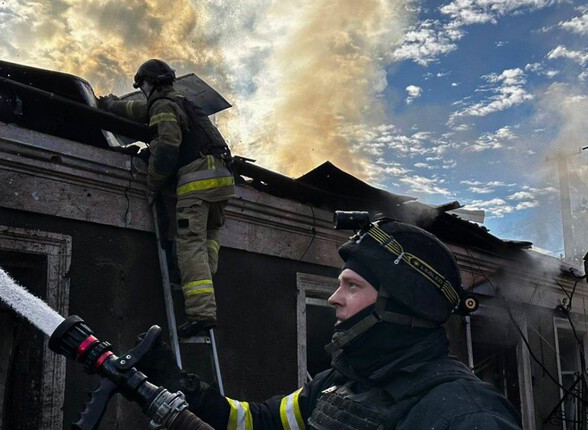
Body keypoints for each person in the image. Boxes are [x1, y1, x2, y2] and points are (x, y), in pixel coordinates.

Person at [138, 217, 522, 429]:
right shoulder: (338, 382)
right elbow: (261, 423)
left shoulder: (467, 416)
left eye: (352, 286)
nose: (334, 298)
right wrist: (179, 383)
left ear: (404, 306)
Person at [98, 59, 236, 338]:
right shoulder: (181, 101)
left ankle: (201, 314)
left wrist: (153, 183)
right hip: (223, 179)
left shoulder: (163, 106)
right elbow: (139, 111)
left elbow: (168, 147)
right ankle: (200, 280)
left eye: (142, 86)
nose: (142, 91)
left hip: (197, 179)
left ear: (149, 83)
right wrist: (111, 105)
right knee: (208, 237)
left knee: (190, 246)